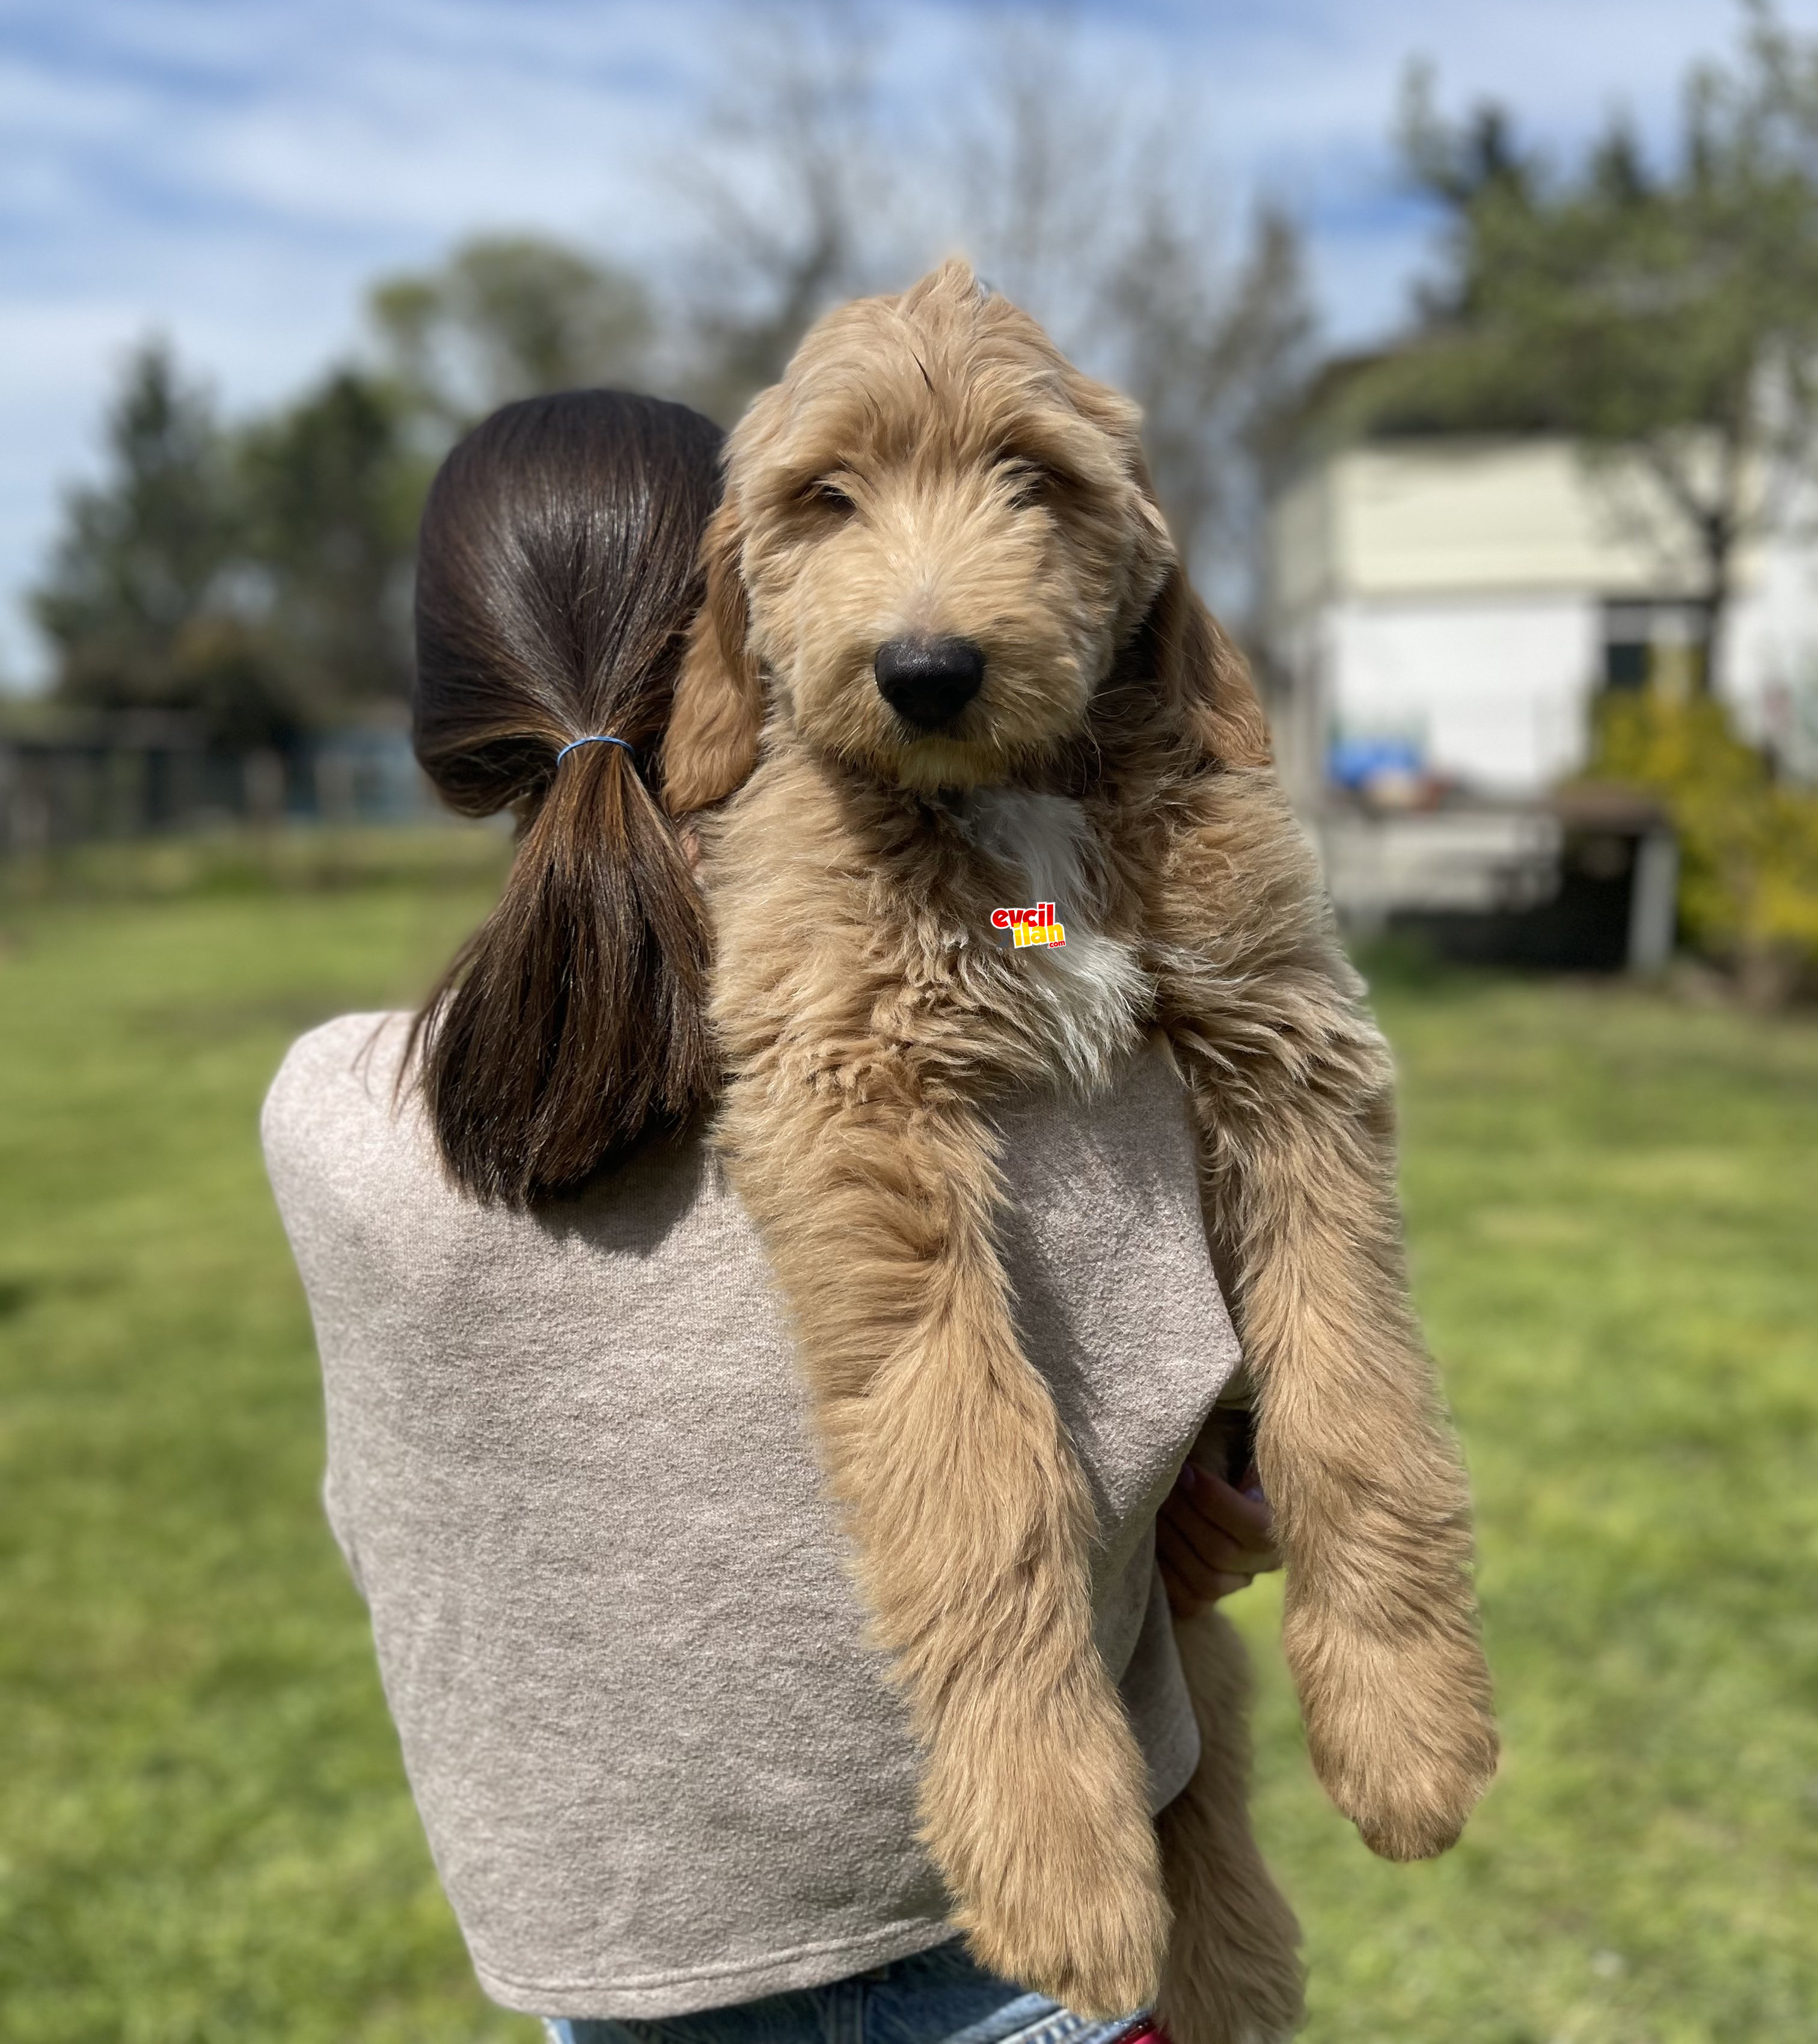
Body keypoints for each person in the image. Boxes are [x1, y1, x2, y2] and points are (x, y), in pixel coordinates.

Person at [262, 388, 1280, 2044]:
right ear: (766, 639)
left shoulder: (338, 1120)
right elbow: (1089, 962)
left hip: (628, 1990)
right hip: (1052, 1961)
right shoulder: (1059, 1077)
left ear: (454, 734)